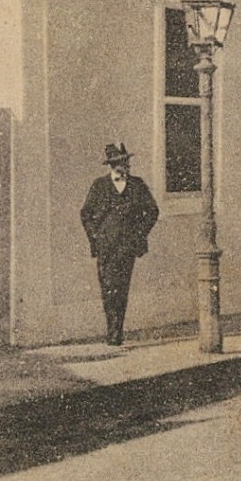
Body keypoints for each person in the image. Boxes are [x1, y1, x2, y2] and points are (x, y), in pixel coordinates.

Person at [79, 143, 159, 347]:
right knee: (108, 288)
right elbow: (85, 214)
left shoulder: (137, 185)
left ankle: (117, 332)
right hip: (106, 248)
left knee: (122, 288)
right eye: (117, 163)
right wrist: (95, 237)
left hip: (127, 247)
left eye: (124, 162)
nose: (122, 166)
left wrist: (139, 234)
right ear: (110, 166)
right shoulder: (99, 185)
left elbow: (152, 211)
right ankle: (111, 330)